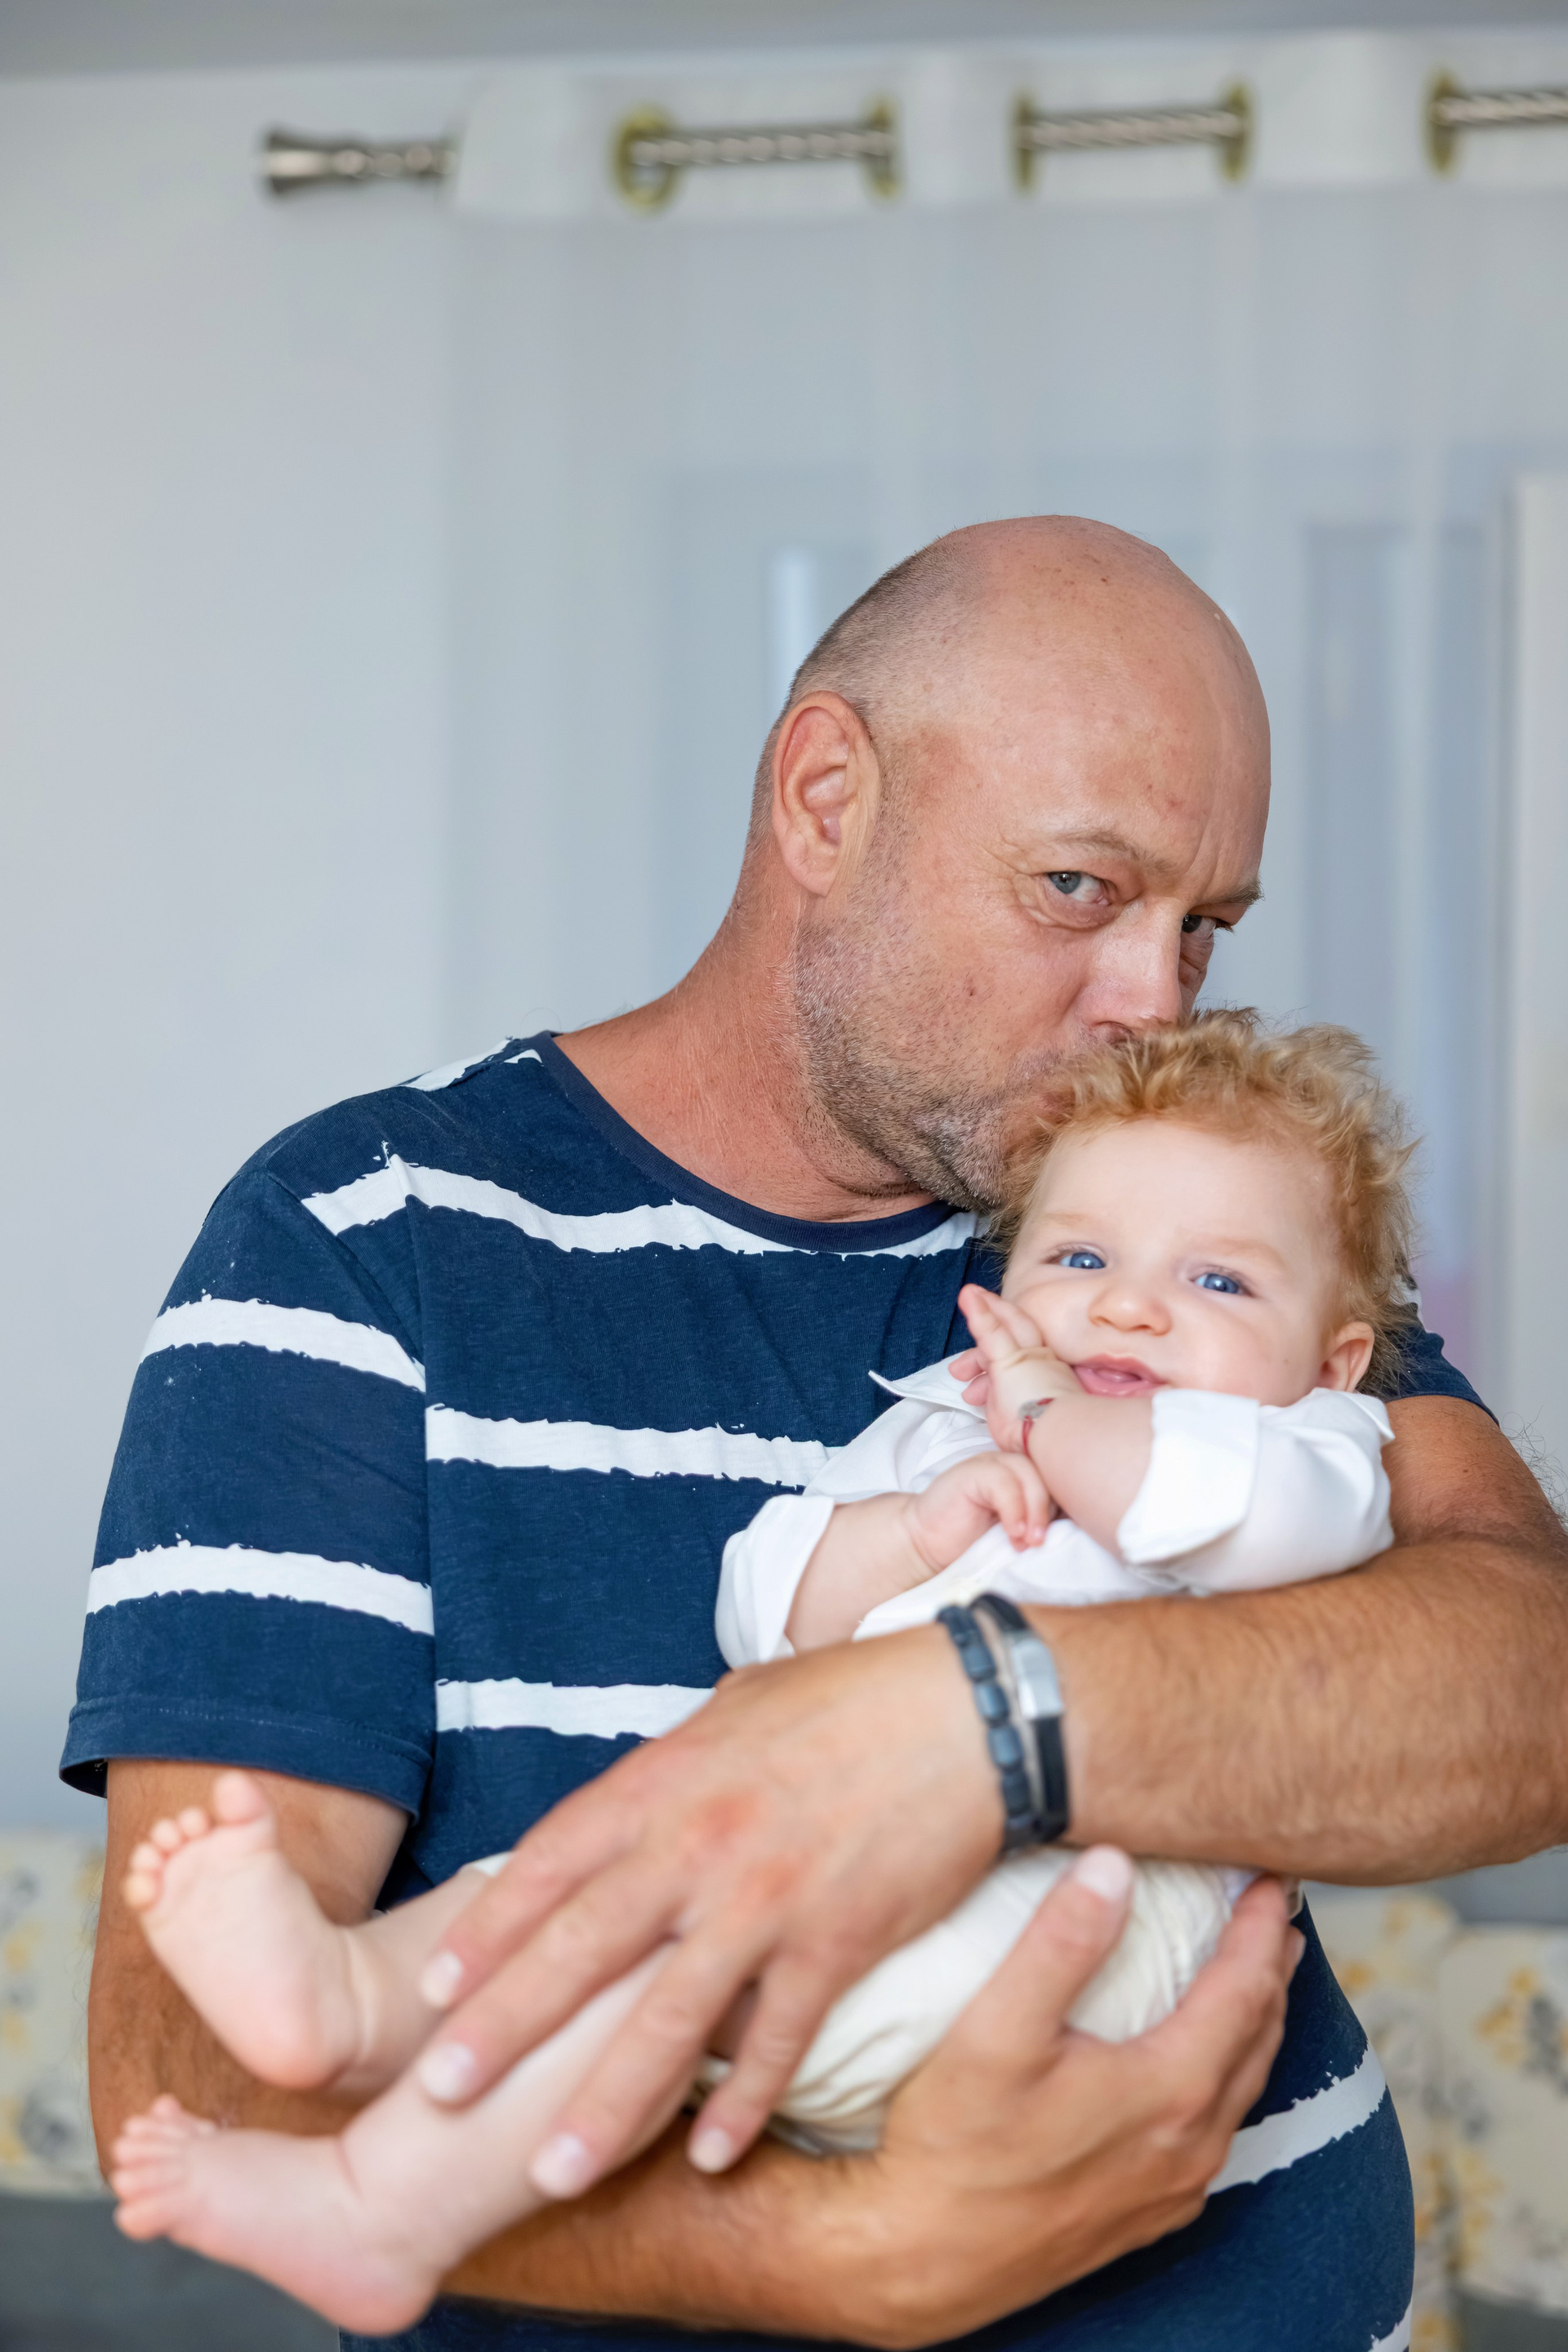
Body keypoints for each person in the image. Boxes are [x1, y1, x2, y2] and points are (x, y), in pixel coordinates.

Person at [69, 519, 1568, 2352]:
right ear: (828, 799)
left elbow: (1534, 1684)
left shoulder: (1176, 1242)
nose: (1154, 1001)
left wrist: (971, 1730)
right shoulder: (360, 1242)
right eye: (1081, 888)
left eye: (1205, 926)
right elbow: (189, 2072)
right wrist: (842, 2255)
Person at [105, 1013, 1409, 2337]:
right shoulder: (947, 1428)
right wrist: (912, 1530)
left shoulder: (1308, 1453)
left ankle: (392, 2188)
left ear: (1335, 1361)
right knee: (573, 1907)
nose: (1129, 1306)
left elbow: (1183, 1508)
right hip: (841, 1862)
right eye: (1081, 1258)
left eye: (1220, 1282)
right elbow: (765, 1606)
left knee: (675, 1963)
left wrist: (1046, 1415)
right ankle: (360, 2035)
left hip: (1074, 1926)